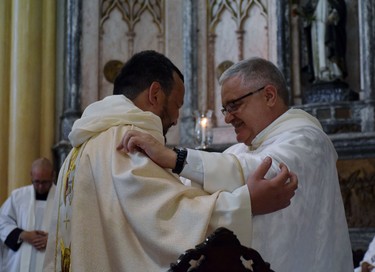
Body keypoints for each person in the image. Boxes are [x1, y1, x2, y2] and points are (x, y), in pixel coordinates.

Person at [43, 50, 297, 272]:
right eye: (177, 105)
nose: (176, 119)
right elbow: (166, 219)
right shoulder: (126, 139)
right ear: (155, 94)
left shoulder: (82, 147)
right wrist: (245, 203)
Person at [118, 56, 354, 271]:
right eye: (225, 109)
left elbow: (264, 172)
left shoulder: (307, 139)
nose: (228, 117)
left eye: (234, 105)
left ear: (269, 95)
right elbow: (196, 184)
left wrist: (174, 157)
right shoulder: (243, 149)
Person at [0, 157, 56, 272]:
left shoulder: (62, 199)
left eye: (44, 182)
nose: (40, 186)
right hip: (18, 263)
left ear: (52, 175)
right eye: (37, 182)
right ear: (31, 175)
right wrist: (23, 234)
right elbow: (2, 221)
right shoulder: (18, 196)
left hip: (51, 260)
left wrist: (52, 240)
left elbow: (72, 229)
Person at [303, 0, 347, 82]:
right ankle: (319, 73)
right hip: (315, 26)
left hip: (327, 27)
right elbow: (307, 12)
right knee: (317, 46)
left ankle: (331, 71)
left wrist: (334, 14)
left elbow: (340, 7)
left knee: (326, 45)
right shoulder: (313, 2)